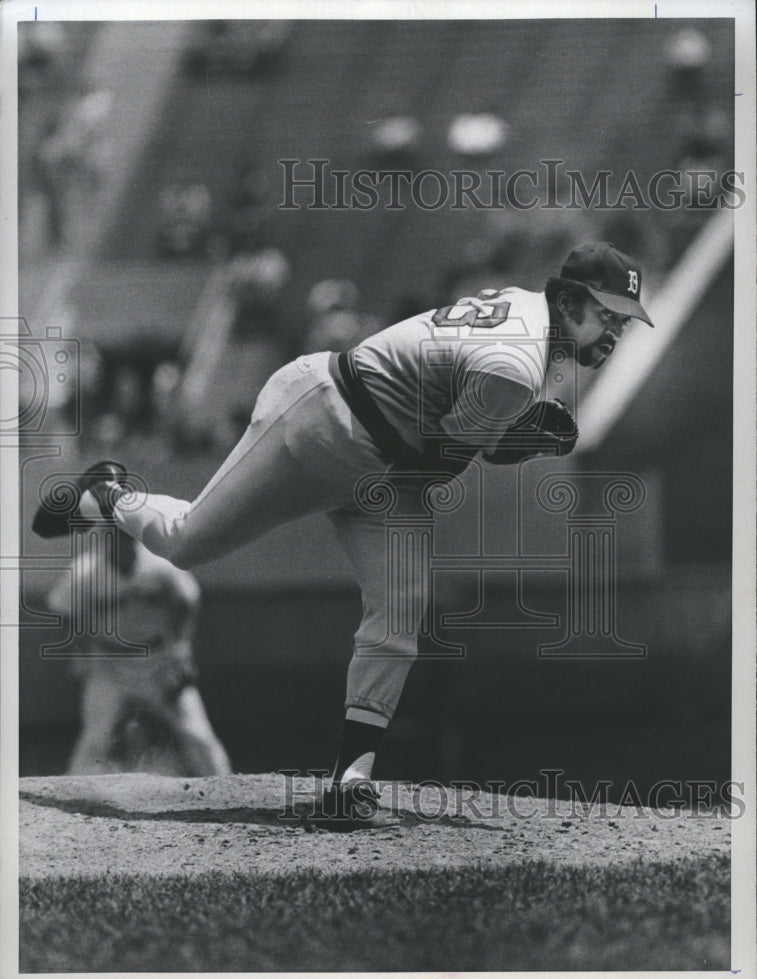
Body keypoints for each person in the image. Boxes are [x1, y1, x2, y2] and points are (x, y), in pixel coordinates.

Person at [33, 242, 653, 826]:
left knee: (402, 613)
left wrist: (503, 439)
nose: (616, 331)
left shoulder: (525, 319)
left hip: (384, 465)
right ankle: (107, 495)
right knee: (187, 542)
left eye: (625, 320)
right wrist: (511, 444)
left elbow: (439, 440)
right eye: (609, 314)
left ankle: (349, 780)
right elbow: (441, 461)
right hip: (326, 420)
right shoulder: (517, 365)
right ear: (569, 302)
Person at [43, 529, 232, 778]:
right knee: (96, 736)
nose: (120, 540)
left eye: (125, 534)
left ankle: (227, 786)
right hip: (109, 663)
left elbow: (187, 603)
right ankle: (72, 796)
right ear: (104, 537)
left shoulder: (160, 565)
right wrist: (81, 654)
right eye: (114, 534)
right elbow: (65, 611)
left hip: (158, 660)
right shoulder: (86, 571)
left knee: (197, 733)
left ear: (135, 538)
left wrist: (181, 652)